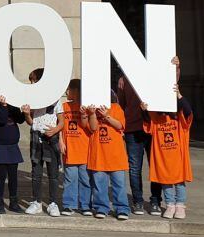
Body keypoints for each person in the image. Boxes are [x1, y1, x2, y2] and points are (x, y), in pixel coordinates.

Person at [144, 58, 193, 220]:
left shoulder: (179, 120)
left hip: (177, 157)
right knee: (165, 182)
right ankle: (170, 204)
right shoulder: (157, 119)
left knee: (179, 182)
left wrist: (178, 95)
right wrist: (144, 109)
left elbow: (188, 111)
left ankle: (180, 205)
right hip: (163, 158)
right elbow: (147, 121)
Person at [119, 73, 165, 215]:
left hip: (153, 127)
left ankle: (155, 201)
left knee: (155, 166)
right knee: (134, 168)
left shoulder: (154, 74)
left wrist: (176, 66)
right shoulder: (124, 80)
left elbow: (170, 79)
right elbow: (121, 105)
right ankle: (137, 201)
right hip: (132, 128)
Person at [21, 69, 63, 217]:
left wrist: (55, 130)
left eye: (34, 81)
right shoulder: (32, 99)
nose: (32, 84)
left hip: (51, 140)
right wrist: (27, 114)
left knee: (53, 174)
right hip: (36, 138)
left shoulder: (56, 99)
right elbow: (30, 122)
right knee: (36, 173)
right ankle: (36, 202)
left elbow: (62, 121)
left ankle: (53, 203)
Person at [86, 94, 131, 220]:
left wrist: (106, 116)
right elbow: (93, 128)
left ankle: (122, 208)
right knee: (99, 184)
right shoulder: (92, 108)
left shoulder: (116, 107)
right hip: (99, 154)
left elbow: (120, 125)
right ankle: (101, 207)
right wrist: (92, 114)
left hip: (116, 155)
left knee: (119, 184)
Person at [0, 90, 25, 214]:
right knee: (2, 175)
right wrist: (3, 106)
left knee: (13, 176)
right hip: (1, 146)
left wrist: (22, 110)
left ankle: (13, 203)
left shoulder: (10, 104)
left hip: (12, 145)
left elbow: (20, 119)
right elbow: (1, 120)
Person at [59, 79, 93, 216]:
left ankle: (85, 205)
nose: (67, 92)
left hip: (84, 149)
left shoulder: (86, 107)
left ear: (77, 91)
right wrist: (61, 141)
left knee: (85, 179)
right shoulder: (64, 106)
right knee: (70, 179)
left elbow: (91, 127)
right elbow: (59, 125)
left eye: (69, 89)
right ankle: (69, 205)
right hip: (69, 149)